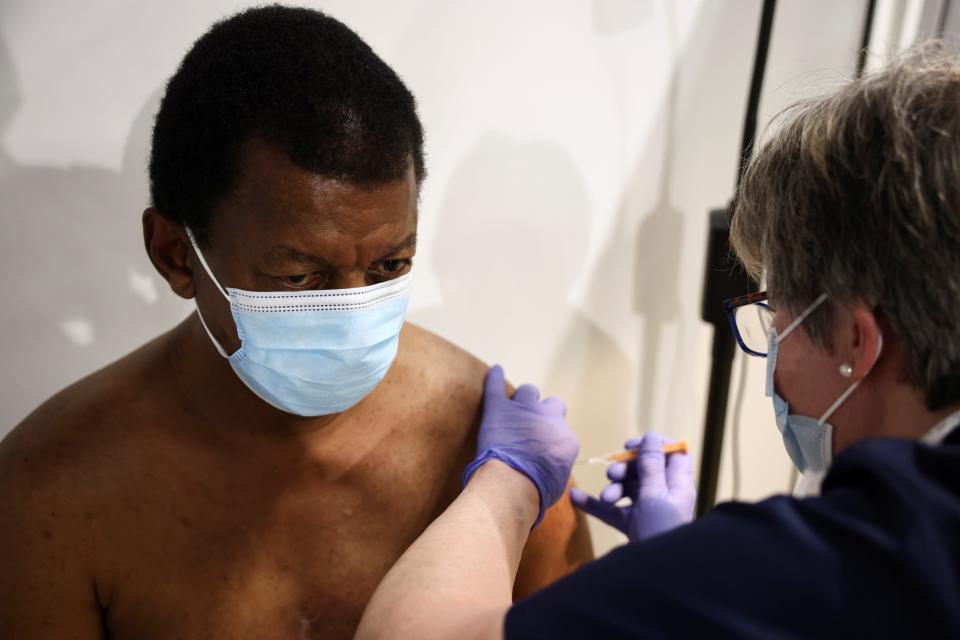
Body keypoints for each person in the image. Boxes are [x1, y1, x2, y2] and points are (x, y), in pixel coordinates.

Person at [0, 7, 592, 639]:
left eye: (391, 263)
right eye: (298, 277)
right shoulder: (51, 496)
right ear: (176, 255)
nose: (351, 309)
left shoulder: (499, 460)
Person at [356, 43, 960, 639]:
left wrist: (508, 482)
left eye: (776, 318)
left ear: (857, 341)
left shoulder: (857, 557)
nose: (771, 362)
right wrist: (677, 565)